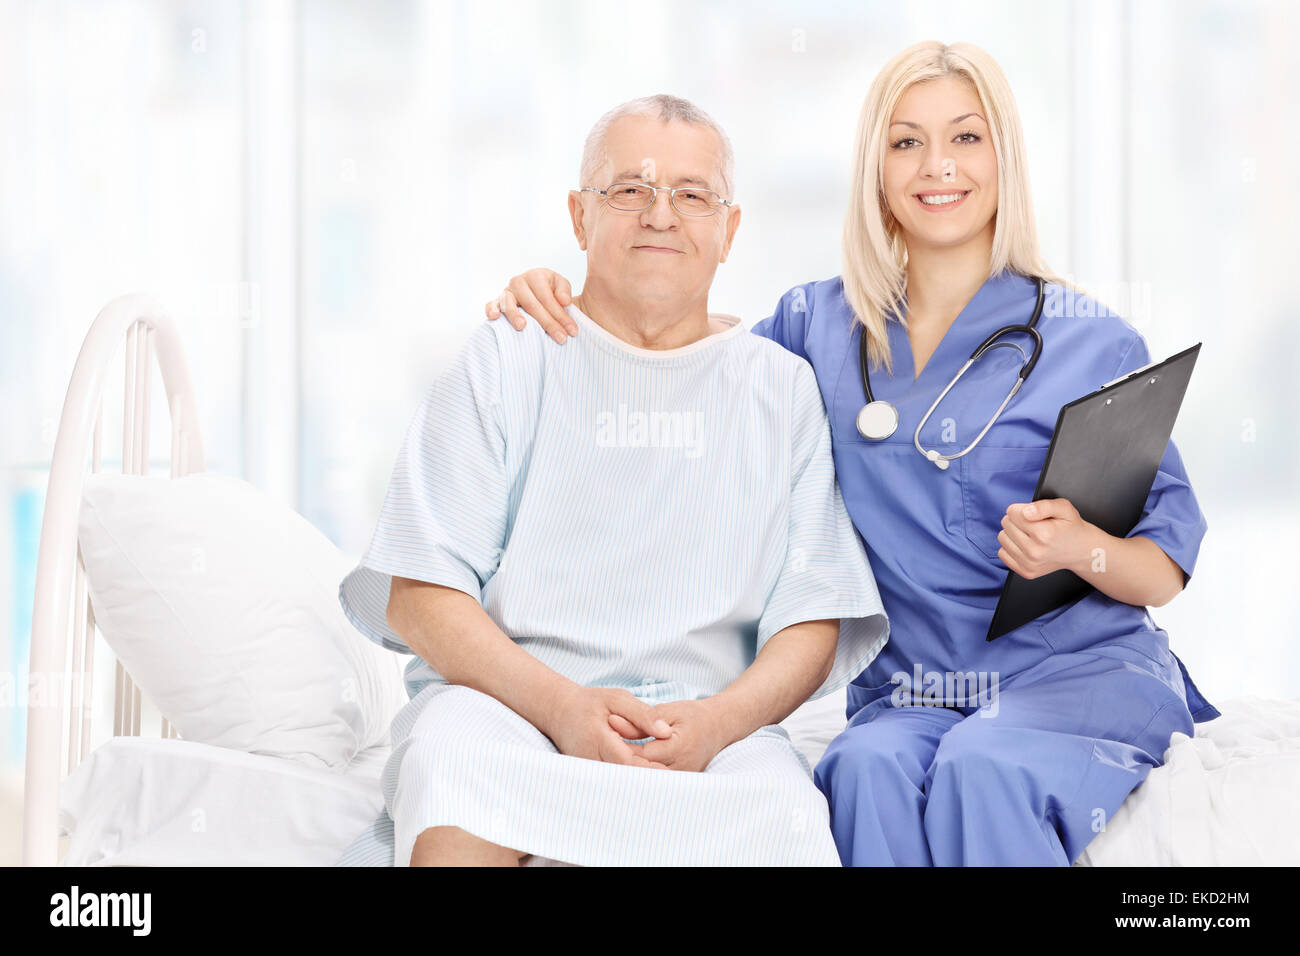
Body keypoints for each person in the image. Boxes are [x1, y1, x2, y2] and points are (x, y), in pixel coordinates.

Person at [483, 41, 1218, 866]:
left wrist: (1079, 547)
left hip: (1075, 676)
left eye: (966, 138)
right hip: (912, 692)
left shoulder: (1092, 341)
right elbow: (685, 350)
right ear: (877, 167)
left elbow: (1164, 569)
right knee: (861, 770)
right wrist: (561, 301)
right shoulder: (815, 326)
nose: (937, 166)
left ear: (1004, 158)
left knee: (984, 770)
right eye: (907, 141)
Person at [335, 93, 888, 867]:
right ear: (578, 217)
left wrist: (719, 723)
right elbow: (420, 594)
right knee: (450, 771)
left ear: (728, 231)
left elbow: (813, 619)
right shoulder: (509, 357)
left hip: (707, 727)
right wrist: (563, 709)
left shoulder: (779, 387)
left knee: (790, 821)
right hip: (511, 708)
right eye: (629, 190)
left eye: (692, 196)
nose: (661, 216)